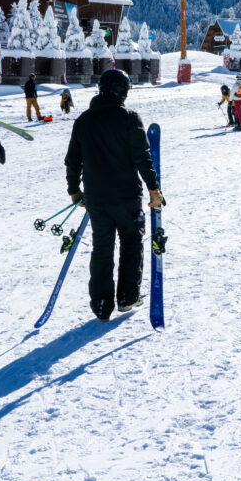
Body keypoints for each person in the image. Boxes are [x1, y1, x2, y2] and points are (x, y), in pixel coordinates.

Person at [64, 68, 164, 321]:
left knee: (102, 248)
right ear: (123, 91)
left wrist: (75, 190)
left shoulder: (84, 120)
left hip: (97, 199)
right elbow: (142, 158)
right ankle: (128, 296)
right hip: (126, 197)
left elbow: (73, 160)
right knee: (131, 243)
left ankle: (101, 303)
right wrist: (154, 189)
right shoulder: (129, 117)